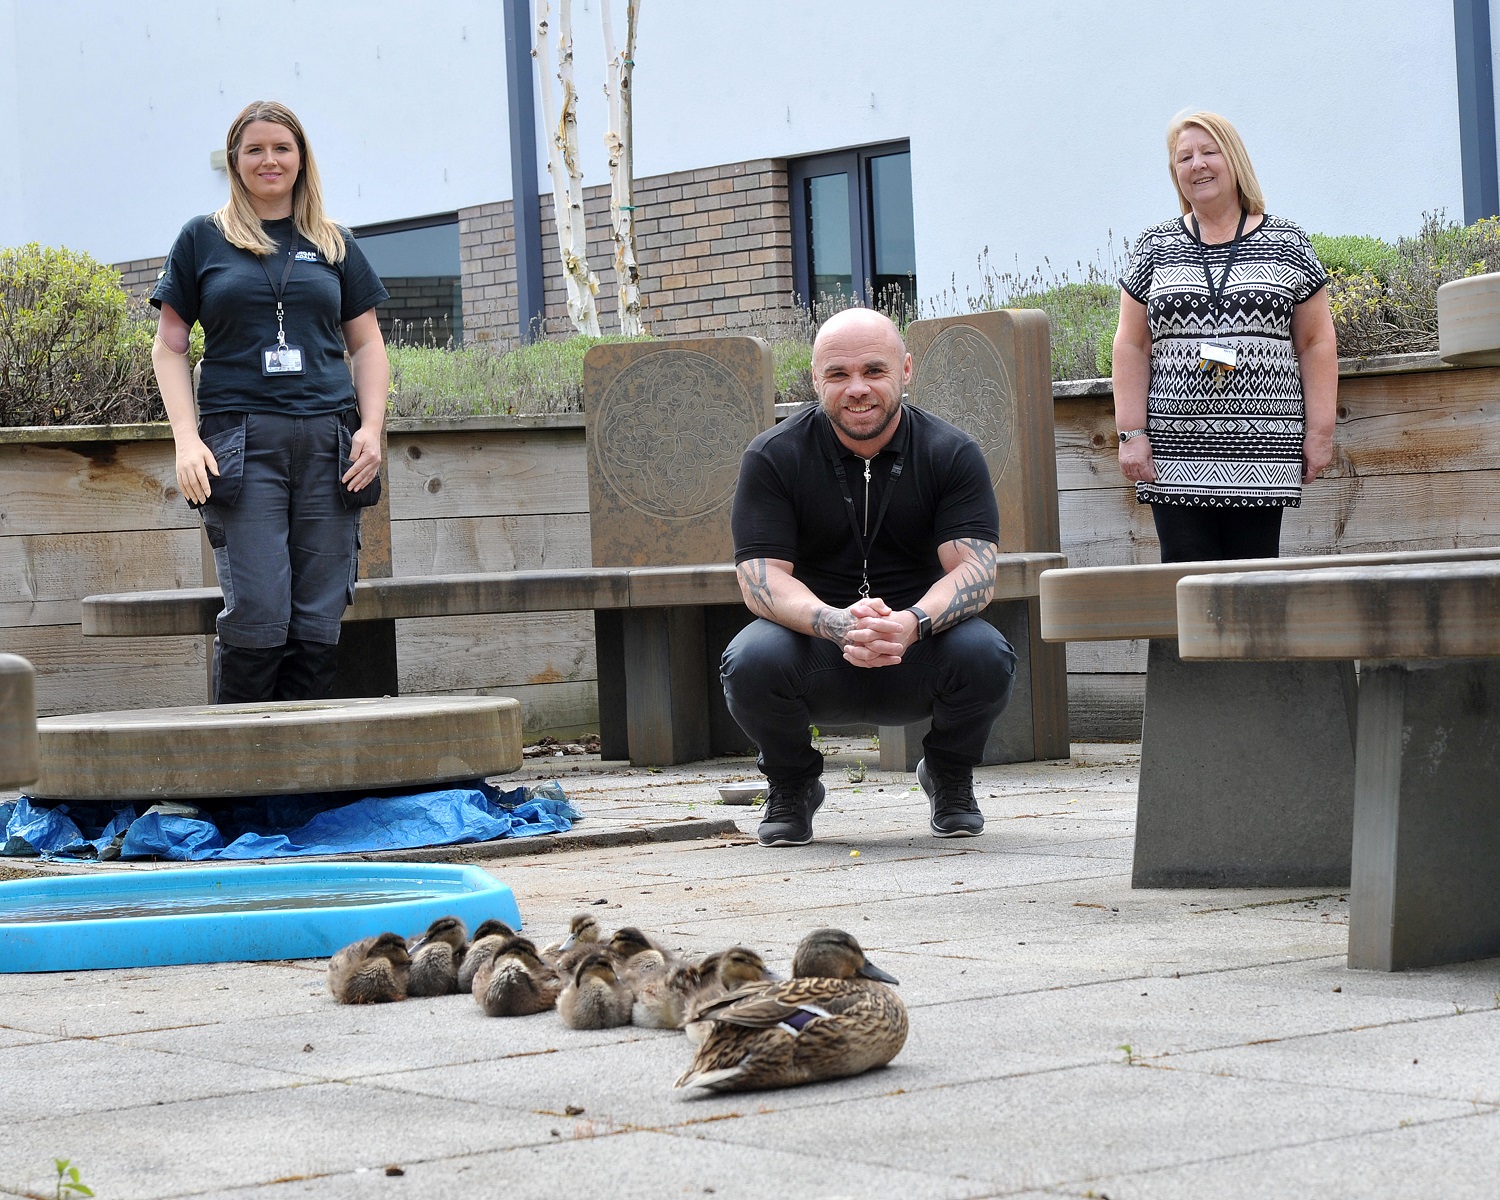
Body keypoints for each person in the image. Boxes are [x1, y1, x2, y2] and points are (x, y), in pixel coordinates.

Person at [721, 308, 1017, 846]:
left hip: (918, 648)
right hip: (813, 646)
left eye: (874, 371)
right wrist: (835, 623)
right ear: (815, 379)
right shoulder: (773, 456)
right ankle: (792, 784)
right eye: (838, 375)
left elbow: (976, 571)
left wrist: (910, 622)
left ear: (906, 370)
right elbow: (759, 579)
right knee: (750, 661)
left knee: (987, 654)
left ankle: (949, 773)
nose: (857, 389)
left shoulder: (951, 452)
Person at [151, 101, 390, 703]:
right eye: (254, 149)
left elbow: (366, 347)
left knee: (318, 613)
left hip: (330, 443)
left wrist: (372, 428)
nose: (269, 160)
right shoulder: (202, 237)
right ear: (234, 161)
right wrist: (186, 438)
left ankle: (301, 783)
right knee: (258, 608)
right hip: (242, 445)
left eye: (281, 148)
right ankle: (236, 782)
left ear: (301, 158)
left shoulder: (333, 243)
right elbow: (170, 348)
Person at [1112, 110, 1337, 562]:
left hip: (1263, 453)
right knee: (1182, 592)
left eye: (1209, 152)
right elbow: (1130, 344)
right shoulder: (1154, 245)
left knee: (1252, 599)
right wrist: (1130, 434)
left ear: (1233, 160)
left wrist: (1321, 432)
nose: (1197, 164)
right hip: (1175, 457)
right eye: (1184, 158)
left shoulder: (1288, 240)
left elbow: (1317, 342)